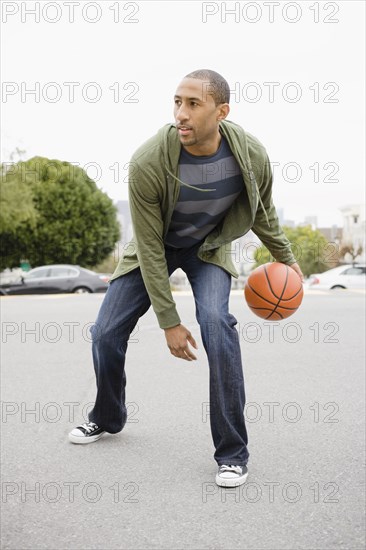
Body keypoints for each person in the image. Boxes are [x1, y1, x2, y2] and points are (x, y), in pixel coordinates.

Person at [68, 69, 304, 488]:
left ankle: (232, 454)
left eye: (193, 104)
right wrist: (169, 322)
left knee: (217, 325)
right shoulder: (147, 161)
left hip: (208, 249)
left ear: (222, 111)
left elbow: (264, 215)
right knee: (104, 332)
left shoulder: (250, 155)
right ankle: (106, 417)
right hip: (152, 249)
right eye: (177, 102)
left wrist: (289, 260)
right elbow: (150, 247)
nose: (181, 113)